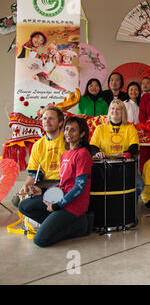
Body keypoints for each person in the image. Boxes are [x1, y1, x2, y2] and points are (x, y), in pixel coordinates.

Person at [18, 116, 93, 247]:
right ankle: (55, 225)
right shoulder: (66, 154)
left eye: (73, 130)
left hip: (73, 206)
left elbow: (79, 188)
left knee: (40, 240)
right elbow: (63, 183)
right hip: (61, 199)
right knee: (24, 205)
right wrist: (43, 191)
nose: (68, 133)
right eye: (67, 129)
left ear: (81, 134)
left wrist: (57, 205)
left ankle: (80, 225)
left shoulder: (82, 154)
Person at [12, 105, 66, 207]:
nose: (46, 121)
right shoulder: (38, 145)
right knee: (17, 200)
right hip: (45, 183)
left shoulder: (68, 141)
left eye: (51, 118)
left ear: (60, 123)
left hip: (63, 183)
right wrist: (26, 186)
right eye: (44, 118)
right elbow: (33, 174)